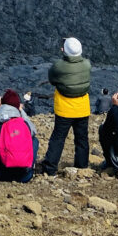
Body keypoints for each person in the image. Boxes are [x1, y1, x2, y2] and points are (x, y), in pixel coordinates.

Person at [40, 37, 91, 177]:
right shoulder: (87, 64)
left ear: (65, 51)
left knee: (58, 138)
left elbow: (52, 79)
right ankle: (82, 166)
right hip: (82, 107)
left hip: (64, 108)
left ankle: (50, 168)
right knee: (82, 139)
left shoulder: (58, 66)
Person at [0, 89, 38, 182]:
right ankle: (29, 168)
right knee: (34, 140)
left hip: (3, 175)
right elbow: (34, 131)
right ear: (18, 106)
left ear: (3, 104)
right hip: (25, 177)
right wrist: (21, 111)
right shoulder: (24, 123)